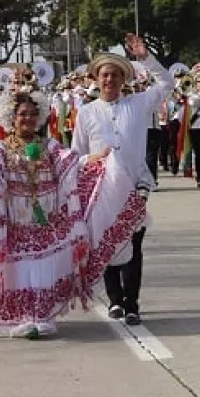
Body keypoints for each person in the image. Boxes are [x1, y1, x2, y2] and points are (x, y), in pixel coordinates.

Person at [0, 81, 147, 338]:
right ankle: (24, 317)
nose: (28, 119)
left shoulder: (50, 146)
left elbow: (72, 164)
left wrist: (96, 158)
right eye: (22, 114)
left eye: (33, 114)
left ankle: (42, 316)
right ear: (11, 118)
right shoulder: (0, 148)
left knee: (43, 269)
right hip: (17, 222)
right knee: (21, 271)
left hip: (46, 221)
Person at [71, 34, 173, 326]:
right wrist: (91, 160)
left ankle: (132, 304)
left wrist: (146, 57)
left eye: (115, 75)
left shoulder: (138, 103)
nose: (109, 80)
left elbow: (167, 84)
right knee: (107, 242)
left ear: (123, 79)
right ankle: (115, 299)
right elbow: (76, 154)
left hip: (136, 185)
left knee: (133, 244)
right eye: (105, 75)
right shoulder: (86, 113)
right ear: (96, 78)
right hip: (101, 188)